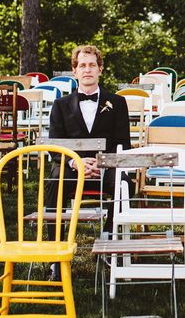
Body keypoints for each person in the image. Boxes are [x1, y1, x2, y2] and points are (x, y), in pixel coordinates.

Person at [45, 45, 131, 277]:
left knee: (124, 180)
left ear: (100, 69)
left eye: (92, 65)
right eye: (82, 65)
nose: (87, 70)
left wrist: (101, 163)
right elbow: (55, 146)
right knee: (54, 179)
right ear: (74, 71)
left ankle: (109, 243)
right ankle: (55, 254)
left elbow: (123, 144)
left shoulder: (117, 103)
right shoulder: (61, 105)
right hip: (73, 168)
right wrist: (77, 163)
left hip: (106, 168)